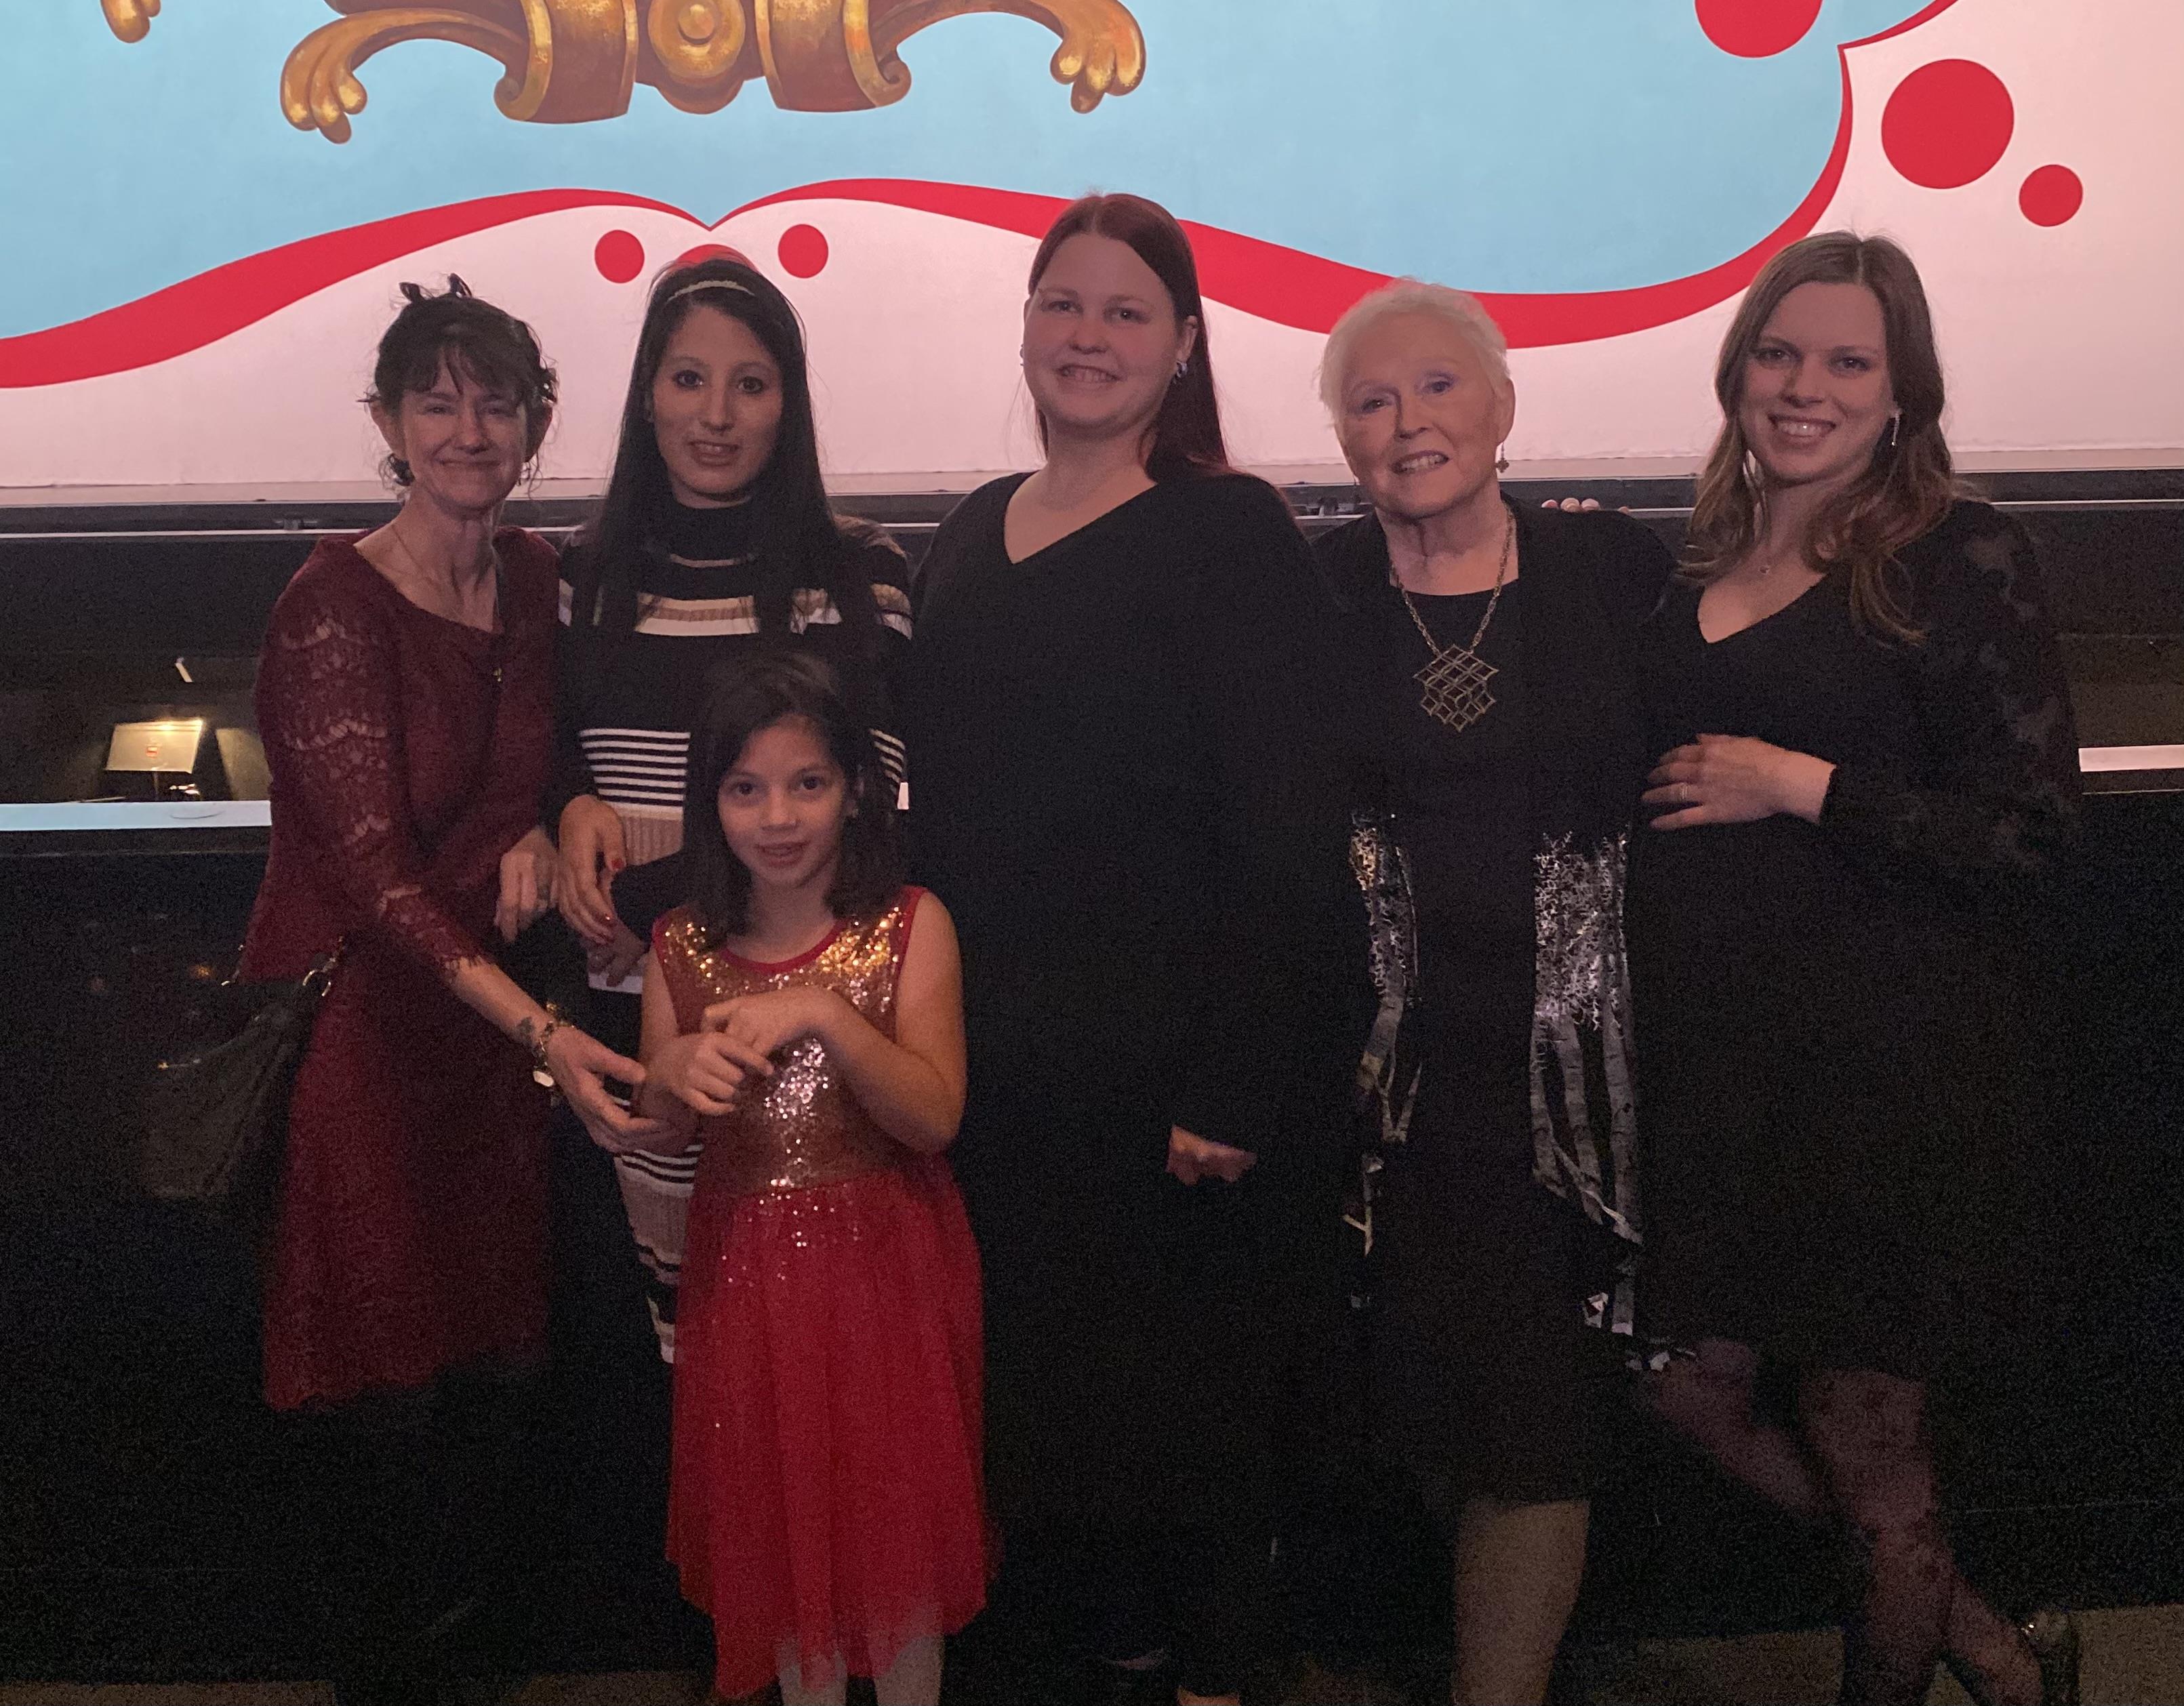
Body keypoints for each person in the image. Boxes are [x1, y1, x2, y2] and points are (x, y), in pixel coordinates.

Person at [907, 192, 1358, 1706]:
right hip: (1000, 1084)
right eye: (1062, 304)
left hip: (1173, 1089)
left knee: (1196, 1448)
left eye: (1124, 311)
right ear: (1024, 326)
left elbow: (1289, 831)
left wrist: (1234, 1085)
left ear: (1184, 347)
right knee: (1051, 1453)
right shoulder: (971, 528)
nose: (1086, 336)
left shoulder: (1232, 530)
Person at [1624, 232, 2082, 1706]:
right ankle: (2003, 1656)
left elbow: (2033, 836)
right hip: (1729, 1072)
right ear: (1737, 365)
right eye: (1779, 351)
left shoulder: (1962, 550)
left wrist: (1801, 780)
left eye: (1846, 360)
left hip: (1888, 1078)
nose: (1803, 385)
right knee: (1688, 1382)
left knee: (1865, 1426)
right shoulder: (1707, 551)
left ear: (1903, 392)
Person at [238, 279, 664, 1703]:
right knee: (390, 1402)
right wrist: (546, 1026)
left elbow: (539, 767)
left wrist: (557, 817)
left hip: (490, 1057)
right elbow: (375, 877)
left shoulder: (538, 575)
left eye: (498, 401)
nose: (469, 428)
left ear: (536, 424)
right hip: (375, 1037)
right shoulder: (330, 605)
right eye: (439, 399)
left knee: (498, 1387)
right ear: (389, 422)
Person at [1314, 281, 1674, 1705]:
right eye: (1373, 400)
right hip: (1379, 1095)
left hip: (1572, 1087)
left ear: (1505, 406)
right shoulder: (1320, 594)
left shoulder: (1609, 573)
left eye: (1440, 387)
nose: (1409, 423)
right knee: (1410, 1405)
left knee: (1537, 1425)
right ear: (1341, 435)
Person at [548, 254, 913, 1358]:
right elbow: (555, 757)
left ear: (788, 403)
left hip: (811, 1035)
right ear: (645, 393)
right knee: (656, 1368)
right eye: (687, 379)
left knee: (807, 1361)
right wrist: (567, 804)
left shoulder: (860, 572)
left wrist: (656, 900)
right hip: (626, 1029)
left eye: (750, 385)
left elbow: (875, 815)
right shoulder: (590, 573)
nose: (716, 415)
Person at [626, 651, 985, 1706]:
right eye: (745, 788)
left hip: (889, 1277)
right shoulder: (682, 944)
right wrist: (667, 1073)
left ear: (855, 791)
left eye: (806, 783)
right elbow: (657, 1119)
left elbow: (933, 1115)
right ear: (712, 803)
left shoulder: (909, 923)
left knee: (895, 1536)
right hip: (748, 1284)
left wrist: (828, 1013)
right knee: (780, 1541)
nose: (776, 816)